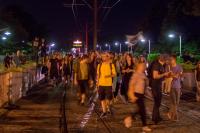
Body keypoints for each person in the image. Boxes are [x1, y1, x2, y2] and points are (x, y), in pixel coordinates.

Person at [124, 63, 152, 132]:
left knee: (140, 110)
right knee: (142, 110)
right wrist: (131, 95)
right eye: (142, 66)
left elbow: (145, 86)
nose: (144, 67)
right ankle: (143, 125)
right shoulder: (136, 74)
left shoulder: (143, 75)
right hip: (136, 94)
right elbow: (131, 85)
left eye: (144, 66)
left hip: (141, 94)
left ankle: (130, 119)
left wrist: (149, 94)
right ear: (139, 67)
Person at [149, 54, 170, 124]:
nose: (168, 61)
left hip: (158, 86)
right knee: (157, 102)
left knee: (158, 102)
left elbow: (162, 76)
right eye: (167, 59)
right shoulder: (156, 65)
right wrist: (164, 74)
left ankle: (157, 117)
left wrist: (167, 74)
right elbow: (155, 76)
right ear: (164, 59)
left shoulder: (162, 65)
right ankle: (155, 119)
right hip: (155, 86)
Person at [96, 52, 116, 118]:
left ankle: (107, 108)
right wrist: (97, 83)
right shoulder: (99, 65)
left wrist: (109, 75)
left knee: (108, 99)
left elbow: (114, 74)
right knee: (102, 99)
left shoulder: (111, 65)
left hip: (108, 84)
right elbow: (98, 75)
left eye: (105, 56)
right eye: (103, 56)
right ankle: (104, 112)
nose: (103, 57)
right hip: (101, 84)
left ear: (108, 57)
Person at [167, 54, 183, 121]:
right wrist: (172, 75)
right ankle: (175, 117)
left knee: (177, 103)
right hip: (172, 87)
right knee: (174, 102)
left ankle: (170, 113)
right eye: (170, 59)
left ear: (174, 60)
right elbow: (168, 76)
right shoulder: (169, 67)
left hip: (178, 87)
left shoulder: (179, 67)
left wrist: (172, 74)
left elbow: (178, 76)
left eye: (171, 59)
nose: (170, 61)